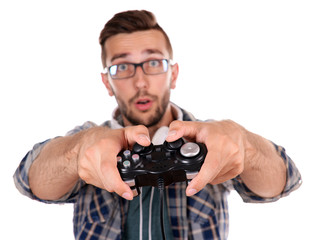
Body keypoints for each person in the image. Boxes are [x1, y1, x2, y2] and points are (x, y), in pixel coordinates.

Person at [14, 10, 302, 240]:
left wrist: (245, 145)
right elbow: (29, 182)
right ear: (107, 82)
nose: (140, 82)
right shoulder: (89, 142)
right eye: (122, 67)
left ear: (173, 74)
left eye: (153, 63)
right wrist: (75, 153)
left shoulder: (213, 140)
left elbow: (282, 182)